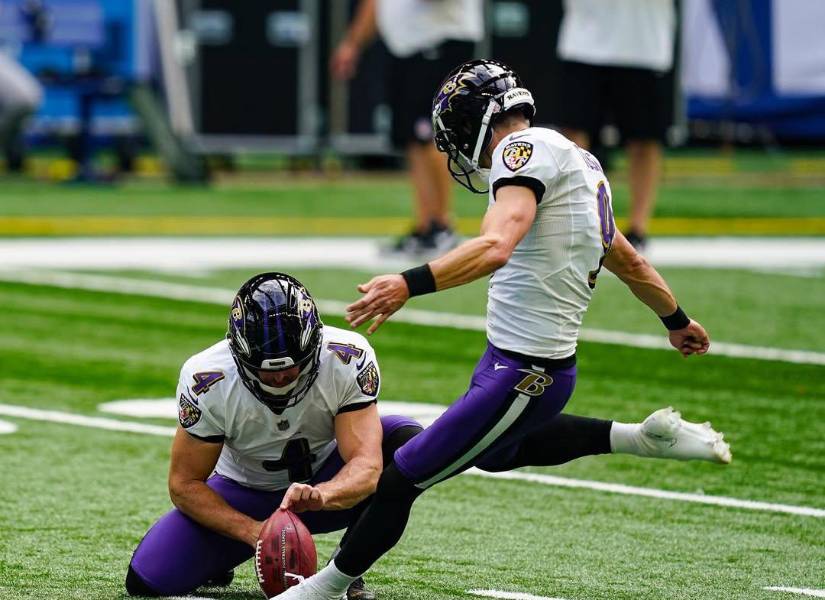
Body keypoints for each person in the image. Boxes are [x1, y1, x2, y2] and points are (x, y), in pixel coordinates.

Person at [274, 59, 723, 600]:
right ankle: (641, 437)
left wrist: (406, 284)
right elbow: (625, 257)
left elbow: (495, 247)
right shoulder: (577, 159)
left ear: (480, 121)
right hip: (517, 364)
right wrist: (676, 320)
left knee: (402, 477)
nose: (462, 148)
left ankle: (325, 587)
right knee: (494, 452)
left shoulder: (522, 152)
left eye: (459, 133)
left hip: (526, 372)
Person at [125, 272, 423, 598]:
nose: (280, 377)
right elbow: (184, 484)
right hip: (245, 493)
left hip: (321, 485)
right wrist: (254, 532)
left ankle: (347, 567)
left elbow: (366, 465)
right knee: (148, 580)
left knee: (407, 444)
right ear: (239, 353)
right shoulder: (207, 379)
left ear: (313, 345)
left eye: (291, 366)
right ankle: (221, 557)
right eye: (266, 369)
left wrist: (323, 494)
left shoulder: (345, 357)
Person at [331, 0, 483, 256]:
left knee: (433, 134)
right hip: (406, 48)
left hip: (440, 40)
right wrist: (353, 43)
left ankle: (443, 225)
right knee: (413, 138)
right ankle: (425, 226)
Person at [554, 0, 677, 249]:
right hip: (584, 38)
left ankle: (638, 229)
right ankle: (577, 222)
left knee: (644, 139)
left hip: (644, 44)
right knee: (574, 140)